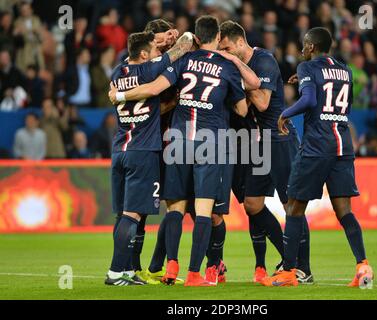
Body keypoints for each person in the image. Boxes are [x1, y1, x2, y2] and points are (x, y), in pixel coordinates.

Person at [109, 16, 248, 286]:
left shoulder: (178, 63)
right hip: (209, 142)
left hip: (176, 142)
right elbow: (243, 108)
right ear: (218, 37)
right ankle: (197, 272)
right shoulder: (225, 66)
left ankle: (167, 266)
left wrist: (121, 96)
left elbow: (154, 87)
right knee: (205, 211)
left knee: (174, 208)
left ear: (197, 37)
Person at [263, 27, 373, 288]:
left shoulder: (308, 68)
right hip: (342, 146)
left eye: (304, 45)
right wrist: (304, 80)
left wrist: (285, 114)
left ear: (311, 47)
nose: (302, 49)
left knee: (294, 207)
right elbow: (334, 98)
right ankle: (363, 266)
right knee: (344, 211)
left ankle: (289, 271)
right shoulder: (345, 70)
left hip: (316, 146)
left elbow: (310, 100)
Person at [218, 20, 312, 284]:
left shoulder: (264, 60)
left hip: (279, 140)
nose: (225, 53)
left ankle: (303, 268)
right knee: (252, 204)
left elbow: (262, 101)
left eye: (227, 48)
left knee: (291, 206)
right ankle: (287, 257)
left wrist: (234, 74)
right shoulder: (240, 65)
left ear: (239, 42)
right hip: (257, 143)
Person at [105, 31, 193, 286]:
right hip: (142, 153)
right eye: (154, 48)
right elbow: (184, 45)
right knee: (132, 216)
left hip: (119, 150)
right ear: (144, 55)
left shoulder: (117, 73)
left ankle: (126, 270)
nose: (158, 52)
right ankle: (115, 272)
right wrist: (179, 36)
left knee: (123, 215)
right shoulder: (150, 70)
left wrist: (154, 37)